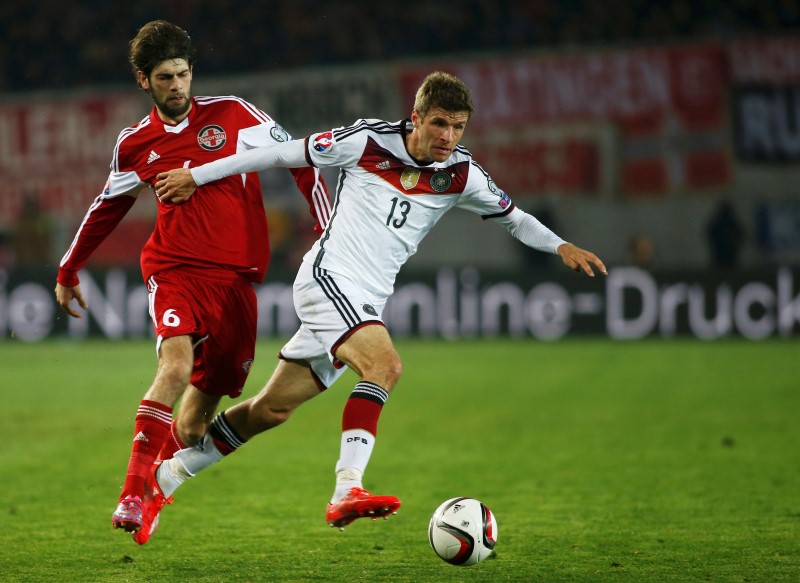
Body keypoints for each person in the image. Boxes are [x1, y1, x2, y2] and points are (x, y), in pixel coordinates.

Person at [152, 71, 607, 535]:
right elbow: (277, 153)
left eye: (458, 127)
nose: (448, 137)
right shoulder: (366, 141)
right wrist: (197, 174)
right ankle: (347, 487)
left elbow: (516, 218)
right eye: (439, 124)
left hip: (366, 301)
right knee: (384, 366)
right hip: (328, 279)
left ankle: (168, 475)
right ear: (416, 118)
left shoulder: (461, 174)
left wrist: (560, 246)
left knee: (271, 410)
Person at [53, 20, 330, 545]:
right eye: (164, 77)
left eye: (182, 73)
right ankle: (132, 493)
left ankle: (157, 490)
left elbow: (300, 159)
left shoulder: (234, 115)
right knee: (175, 364)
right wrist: (69, 269)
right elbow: (108, 205)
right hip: (174, 268)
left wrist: (326, 227)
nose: (177, 85)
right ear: (144, 81)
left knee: (196, 426)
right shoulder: (136, 143)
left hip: (237, 284)